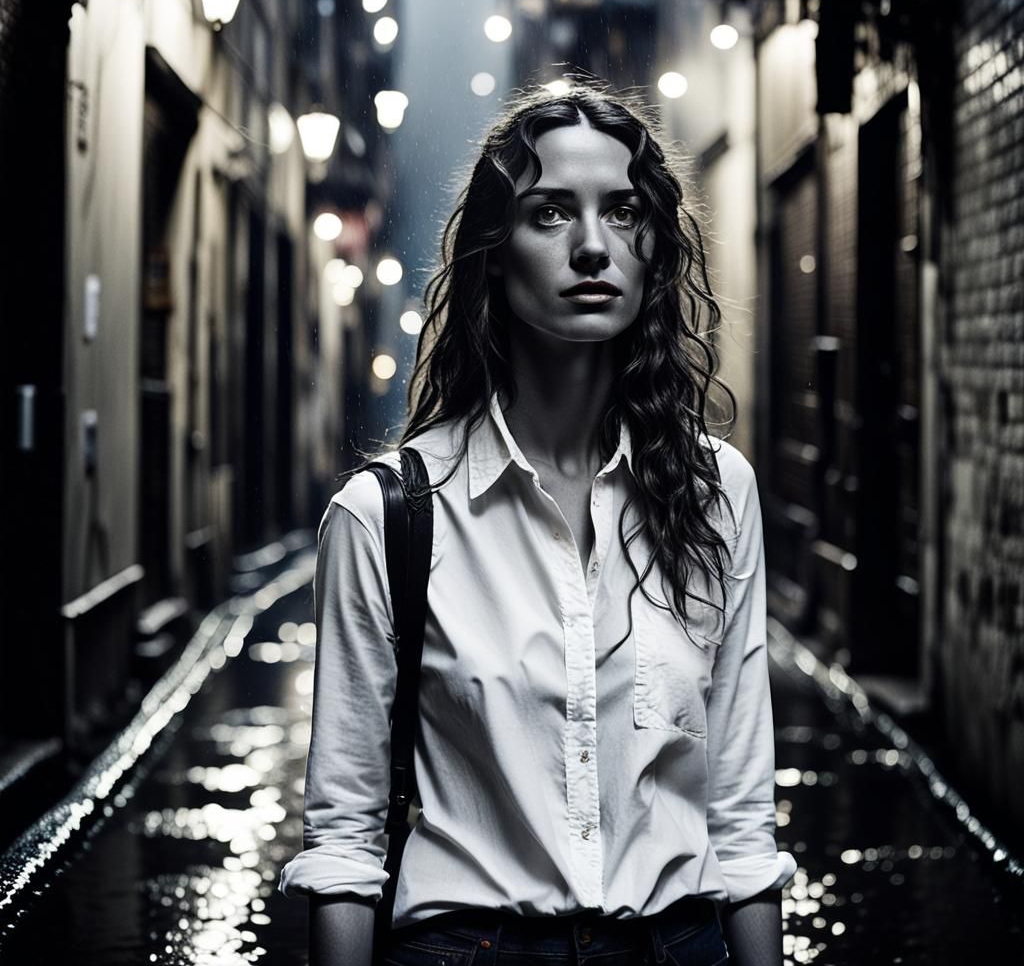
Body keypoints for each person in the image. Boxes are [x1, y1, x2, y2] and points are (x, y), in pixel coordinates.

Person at [278, 83, 797, 966]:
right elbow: (346, 843)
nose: (593, 247)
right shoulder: (388, 516)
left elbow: (741, 824)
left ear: (654, 250)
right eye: (550, 212)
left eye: (624, 211)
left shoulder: (717, 494)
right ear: (493, 251)